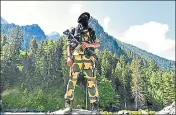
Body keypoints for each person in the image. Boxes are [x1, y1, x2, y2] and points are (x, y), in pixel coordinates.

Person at [63, 12, 100, 114]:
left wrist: (87, 45)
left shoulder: (91, 31)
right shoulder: (73, 31)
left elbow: (97, 44)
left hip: (89, 59)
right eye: (83, 17)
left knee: (92, 82)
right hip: (76, 58)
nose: (85, 19)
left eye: (86, 18)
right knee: (72, 80)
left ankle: (95, 107)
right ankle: (68, 105)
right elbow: (69, 46)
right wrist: (69, 57)